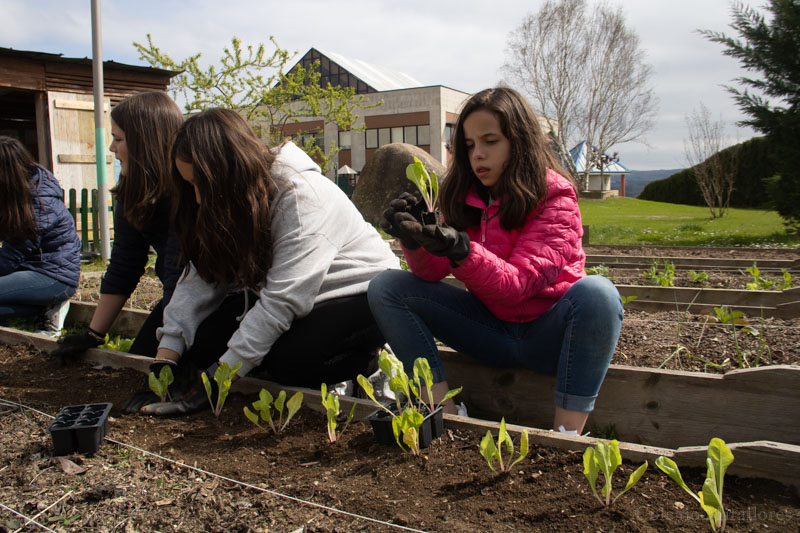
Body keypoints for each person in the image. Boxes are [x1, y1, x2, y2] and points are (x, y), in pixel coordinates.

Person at [368, 87, 623, 435]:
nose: (478, 155)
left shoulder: (556, 196)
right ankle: (445, 413)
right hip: (490, 332)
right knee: (387, 287)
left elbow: (517, 285)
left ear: (519, 142)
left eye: (490, 141)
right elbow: (432, 273)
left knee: (599, 294)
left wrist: (461, 249)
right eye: (470, 145)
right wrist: (416, 242)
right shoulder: (467, 198)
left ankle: (567, 436)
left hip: (549, 338)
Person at [130, 107, 399, 416]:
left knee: (289, 362)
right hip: (306, 301)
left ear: (228, 171)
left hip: (366, 297)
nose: (198, 199)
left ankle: (365, 366)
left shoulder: (299, 196)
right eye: (190, 186)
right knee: (203, 344)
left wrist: (219, 382)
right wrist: (166, 359)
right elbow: (202, 276)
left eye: (201, 185)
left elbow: (282, 300)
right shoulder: (230, 199)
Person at [52, 91, 184, 365]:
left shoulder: (187, 195)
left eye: (118, 139)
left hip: (218, 301)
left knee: (158, 363)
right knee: (139, 359)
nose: (112, 148)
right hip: (178, 299)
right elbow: (125, 262)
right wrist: (93, 333)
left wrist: (170, 354)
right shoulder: (132, 193)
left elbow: (178, 275)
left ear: (145, 143)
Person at [0, 136, 81, 337]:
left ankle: (51, 304)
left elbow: (10, 258)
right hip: (28, 268)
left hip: (54, 276)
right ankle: (43, 309)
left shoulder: (39, 203)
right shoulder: (17, 195)